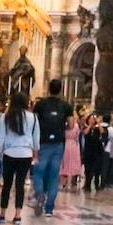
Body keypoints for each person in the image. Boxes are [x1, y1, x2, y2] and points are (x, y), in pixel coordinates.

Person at [0, 91, 39, 225]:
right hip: (25, 153)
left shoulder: (5, 117)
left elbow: (1, 137)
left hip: (9, 152)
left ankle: (2, 214)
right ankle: (18, 215)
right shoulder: (33, 118)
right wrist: (35, 154)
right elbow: (36, 138)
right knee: (20, 185)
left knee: (7, 185)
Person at [32, 78, 73, 216]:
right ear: (61, 89)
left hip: (42, 142)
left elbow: (34, 122)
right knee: (53, 175)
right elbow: (71, 125)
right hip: (58, 143)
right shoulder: (66, 106)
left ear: (48, 89)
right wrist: (62, 127)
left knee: (39, 172)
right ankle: (49, 208)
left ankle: (39, 194)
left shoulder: (40, 105)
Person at [81, 112, 105, 193]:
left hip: (97, 151)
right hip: (88, 151)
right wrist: (90, 125)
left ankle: (97, 184)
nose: (92, 120)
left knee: (97, 169)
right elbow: (85, 133)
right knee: (88, 169)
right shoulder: (86, 127)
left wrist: (98, 123)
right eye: (90, 118)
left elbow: (103, 132)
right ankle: (87, 184)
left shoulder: (98, 129)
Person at [60, 111, 83, 190]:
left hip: (65, 145)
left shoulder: (64, 126)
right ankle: (71, 183)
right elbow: (77, 136)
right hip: (74, 146)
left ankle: (63, 183)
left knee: (64, 164)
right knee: (72, 163)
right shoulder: (76, 126)